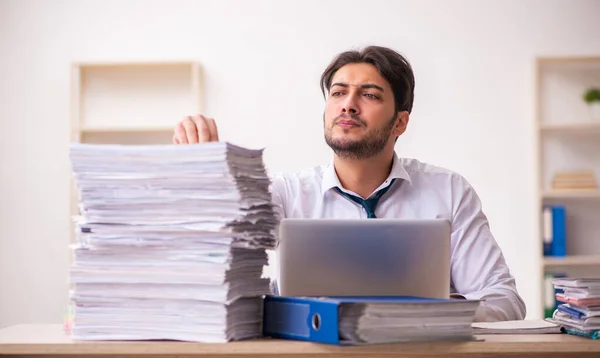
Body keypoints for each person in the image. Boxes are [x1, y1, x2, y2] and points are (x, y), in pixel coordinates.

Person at [172, 45, 526, 322]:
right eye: (338, 93)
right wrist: (202, 177)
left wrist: (431, 314)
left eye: (369, 95)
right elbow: (213, 254)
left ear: (400, 122)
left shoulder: (448, 191)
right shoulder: (283, 193)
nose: (349, 105)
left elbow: (504, 300)